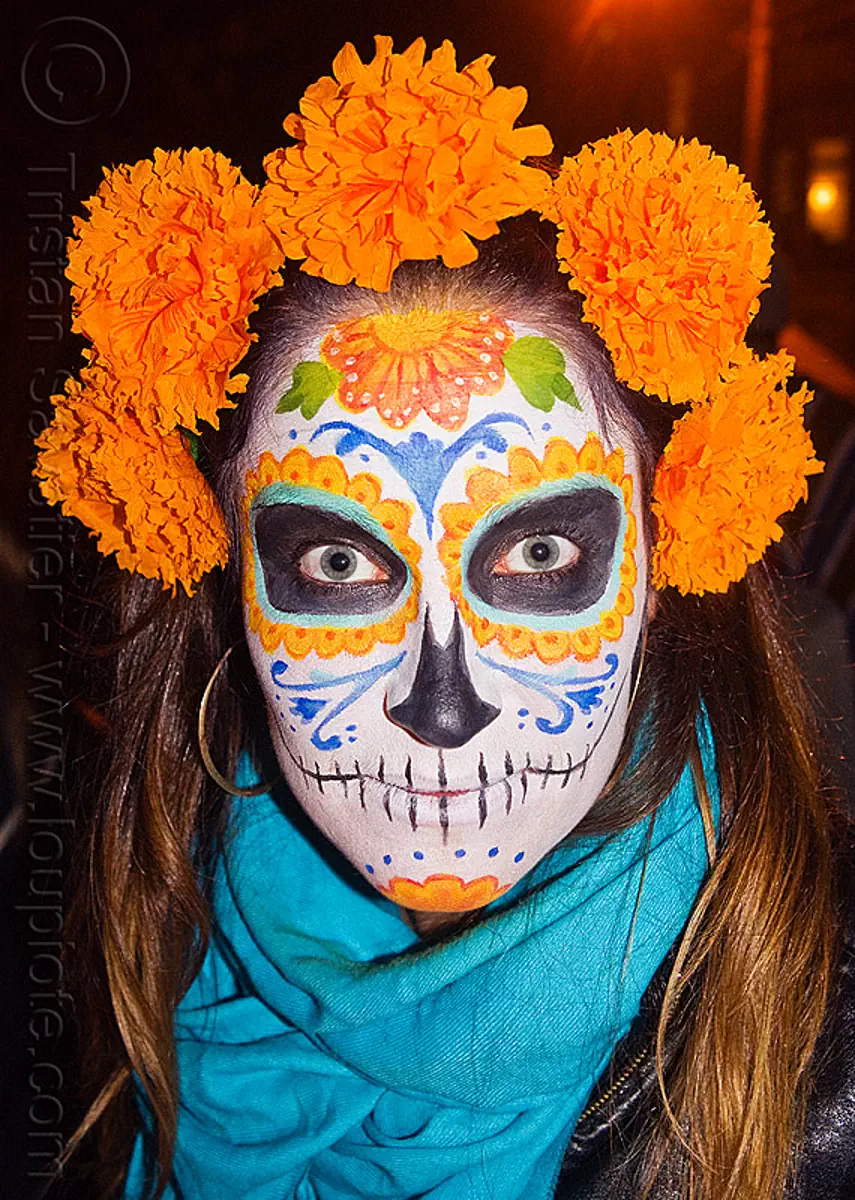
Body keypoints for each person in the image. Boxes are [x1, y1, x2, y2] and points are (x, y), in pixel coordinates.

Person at [35, 35, 853, 1200]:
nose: (442, 700)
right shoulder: (143, 921)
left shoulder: (832, 1072)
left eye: (536, 551)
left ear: (670, 558)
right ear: (228, 592)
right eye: (335, 561)